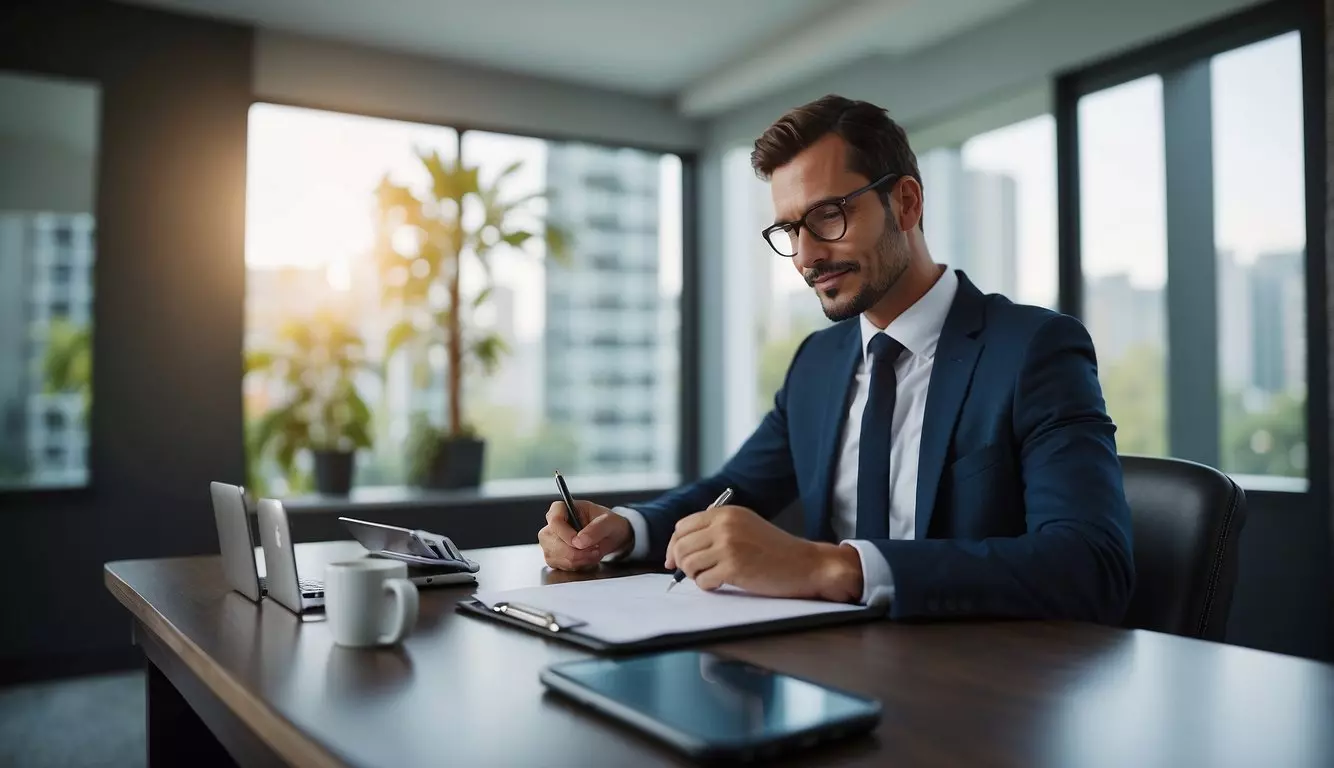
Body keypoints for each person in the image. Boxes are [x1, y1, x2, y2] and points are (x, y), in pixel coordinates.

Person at [538, 94, 1134, 623]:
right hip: (831, 676)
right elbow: (734, 491)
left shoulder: (1033, 348)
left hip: (981, 695)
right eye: (790, 230)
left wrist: (832, 568)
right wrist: (626, 529)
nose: (806, 257)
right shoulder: (818, 363)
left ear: (905, 203)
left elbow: (1091, 563)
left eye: (828, 216)